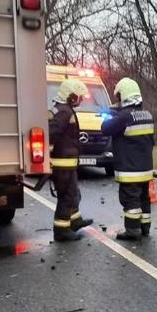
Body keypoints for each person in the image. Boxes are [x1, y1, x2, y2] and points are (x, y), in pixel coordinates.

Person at [101, 78, 155, 241]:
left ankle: (132, 230)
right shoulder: (147, 115)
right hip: (145, 168)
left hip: (129, 169)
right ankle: (145, 228)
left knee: (130, 199)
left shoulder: (124, 117)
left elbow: (105, 129)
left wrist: (110, 115)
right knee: (144, 199)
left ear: (123, 96)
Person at [49, 78, 93, 242]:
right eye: (79, 96)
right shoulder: (63, 112)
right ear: (71, 96)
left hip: (68, 163)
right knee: (67, 196)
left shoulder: (64, 109)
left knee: (73, 193)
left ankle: (74, 221)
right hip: (63, 164)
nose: (81, 100)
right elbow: (52, 133)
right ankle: (62, 231)